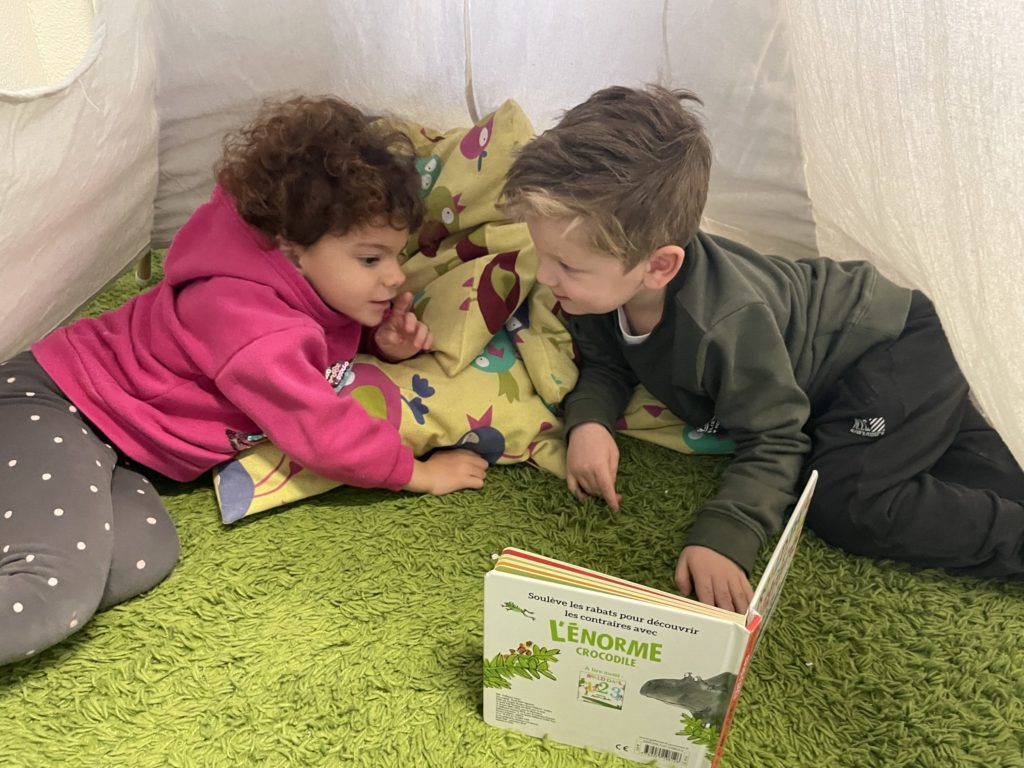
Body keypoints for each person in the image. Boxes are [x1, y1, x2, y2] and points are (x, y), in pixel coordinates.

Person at [0, 96, 488, 665]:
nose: (396, 275)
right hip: (52, 404)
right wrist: (418, 474)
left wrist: (383, 342)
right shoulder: (246, 319)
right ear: (290, 247)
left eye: (395, 256)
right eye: (370, 259)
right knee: (54, 591)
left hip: (114, 445)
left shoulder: (299, 277)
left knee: (145, 552)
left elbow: (320, 334)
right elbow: (320, 429)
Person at [500, 84, 1024, 612]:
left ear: (659, 266)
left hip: (893, 345)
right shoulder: (596, 292)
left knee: (847, 499)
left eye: (567, 266)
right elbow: (609, 360)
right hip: (830, 379)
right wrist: (590, 420)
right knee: (978, 468)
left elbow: (775, 438)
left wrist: (725, 538)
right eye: (543, 254)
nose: (545, 276)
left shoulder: (724, 324)